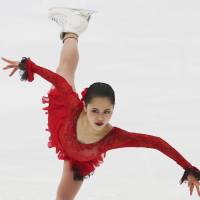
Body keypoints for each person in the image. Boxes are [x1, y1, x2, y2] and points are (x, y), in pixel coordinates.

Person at [1, 6, 200, 200]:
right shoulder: (73, 104)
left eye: (107, 112)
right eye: (95, 110)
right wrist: (29, 66)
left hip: (78, 160)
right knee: (65, 69)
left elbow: (156, 143)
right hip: (63, 117)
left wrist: (188, 168)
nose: (101, 117)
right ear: (85, 106)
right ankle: (73, 28)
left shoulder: (114, 137)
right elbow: (57, 81)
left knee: (62, 198)